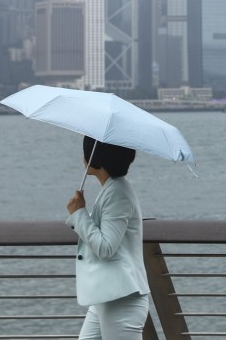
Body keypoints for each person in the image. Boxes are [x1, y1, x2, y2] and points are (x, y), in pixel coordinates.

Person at [66, 136, 151, 340]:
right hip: (108, 296)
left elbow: (106, 248)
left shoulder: (117, 194)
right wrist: (80, 214)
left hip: (120, 300)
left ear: (94, 157)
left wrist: (79, 215)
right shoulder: (113, 188)